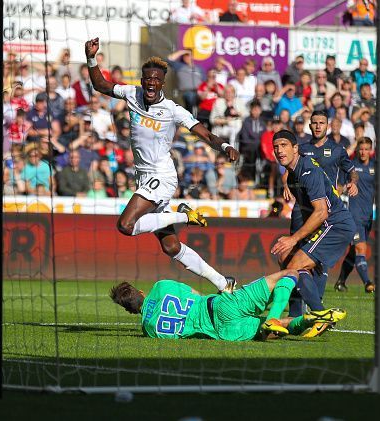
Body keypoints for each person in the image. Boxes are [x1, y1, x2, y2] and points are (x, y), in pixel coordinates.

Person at [85, 38, 240, 293]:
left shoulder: (173, 110)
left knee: (126, 226)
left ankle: (184, 215)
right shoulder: (131, 93)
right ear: (142, 80)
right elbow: (100, 84)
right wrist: (91, 58)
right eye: (147, 79)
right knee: (171, 247)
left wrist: (224, 147)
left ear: (162, 83)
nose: (150, 84)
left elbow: (206, 134)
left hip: (162, 177)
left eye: (156, 80)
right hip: (144, 178)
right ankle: (224, 283)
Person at [271, 130, 356, 338]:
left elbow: (321, 212)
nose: (279, 150)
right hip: (323, 225)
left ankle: (320, 315)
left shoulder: (308, 171)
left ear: (295, 148)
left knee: (294, 265)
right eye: (276, 147)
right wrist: (293, 242)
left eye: (284, 145)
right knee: (286, 258)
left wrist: (293, 239)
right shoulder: (292, 175)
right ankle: (296, 315)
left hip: (335, 224)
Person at [110, 268, 347, 341]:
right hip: (220, 306)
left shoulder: (149, 330)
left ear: (129, 309)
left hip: (221, 332)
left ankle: (312, 320)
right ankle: (278, 314)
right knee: (289, 273)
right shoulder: (161, 286)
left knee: (271, 332)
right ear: (140, 291)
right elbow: (195, 293)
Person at [334, 138, 376, 293]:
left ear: (371, 150)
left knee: (354, 251)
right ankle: (367, 283)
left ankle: (340, 282)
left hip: (368, 216)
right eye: (361, 149)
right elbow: (339, 187)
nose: (363, 152)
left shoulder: (374, 167)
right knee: (360, 248)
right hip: (354, 215)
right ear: (357, 150)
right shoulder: (351, 168)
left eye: (366, 149)